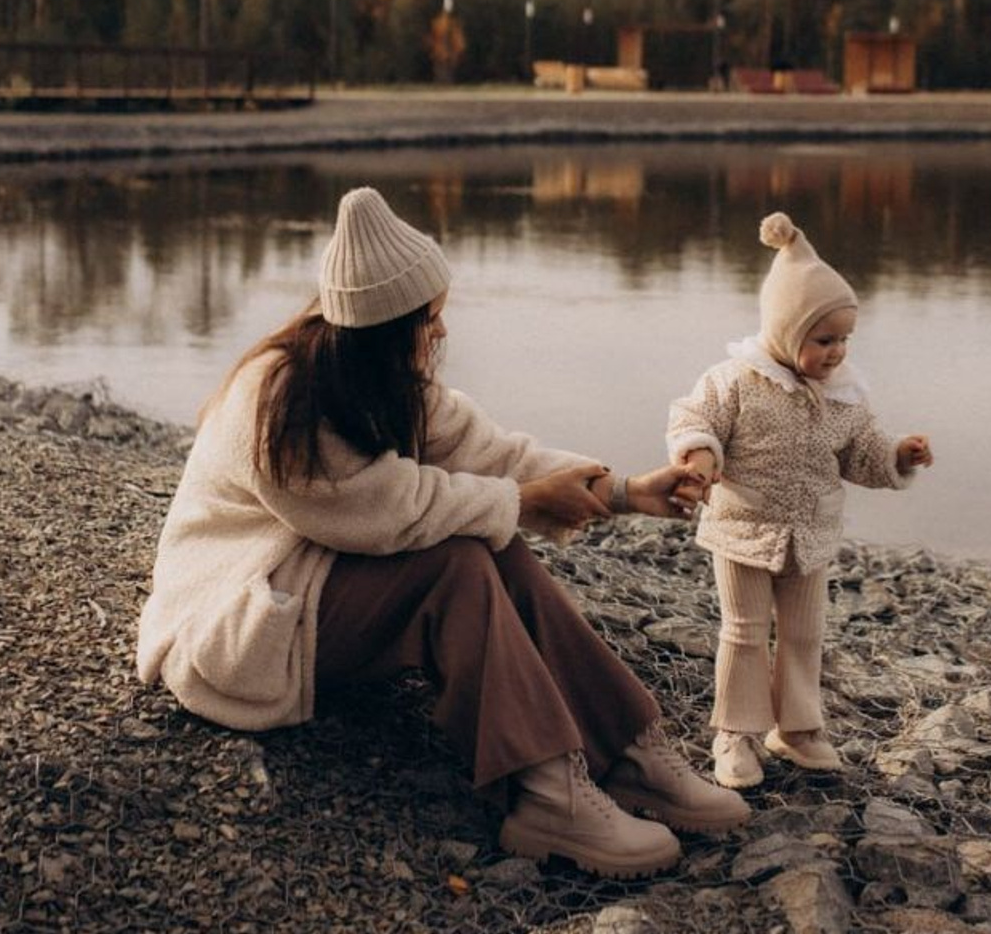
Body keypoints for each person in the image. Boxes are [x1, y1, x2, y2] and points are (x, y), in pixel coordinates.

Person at [137, 186, 749, 879]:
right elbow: (385, 513)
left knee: (493, 539)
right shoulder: (279, 402)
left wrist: (625, 490)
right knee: (456, 560)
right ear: (385, 326)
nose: (441, 332)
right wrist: (519, 501)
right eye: (429, 319)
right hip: (234, 621)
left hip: (309, 585)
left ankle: (626, 750)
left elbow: (492, 457)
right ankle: (547, 792)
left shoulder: (380, 376)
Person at [666, 212, 933, 790]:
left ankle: (796, 726)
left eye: (844, 339)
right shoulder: (735, 381)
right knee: (743, 630)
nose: (837, 352)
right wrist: (700, 459)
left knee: (805, 633)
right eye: (823, 340)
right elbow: (695, 419)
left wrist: (898, 455)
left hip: (811, 533)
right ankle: (736, 732)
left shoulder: (844, 396)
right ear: (787, 331)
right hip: (742, 527)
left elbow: (861, 452)